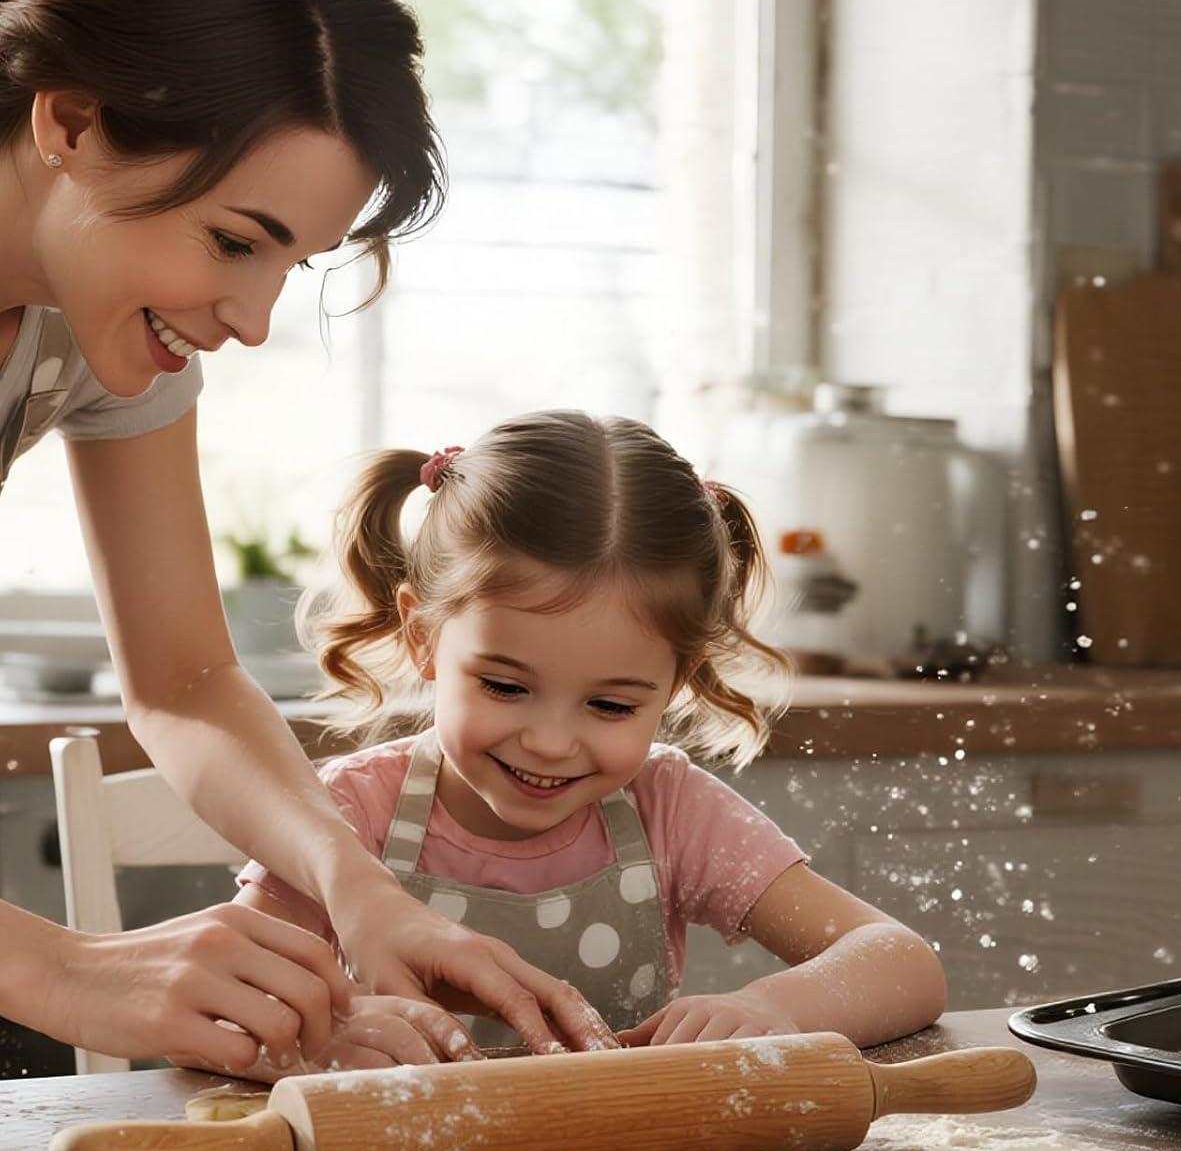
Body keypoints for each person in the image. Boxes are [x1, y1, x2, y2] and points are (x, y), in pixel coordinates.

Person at [0, 0, 614, 1076]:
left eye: (293, 261)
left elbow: (183, 683)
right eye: (236, 240)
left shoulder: (88, 325)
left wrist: (362, 890)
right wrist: (60, 971)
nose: (251, 319)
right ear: (74, 122)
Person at [219, 408, 948, 1079]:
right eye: (505, 687)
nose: (550, 741)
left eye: (609, 704)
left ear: (675, 683)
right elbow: (222, 1000)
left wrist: (775, 1008)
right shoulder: (347, 813)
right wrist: (325, 1031)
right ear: (424, 639)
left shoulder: (671, 811)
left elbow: (903, 963)